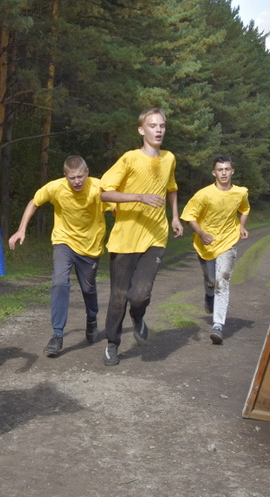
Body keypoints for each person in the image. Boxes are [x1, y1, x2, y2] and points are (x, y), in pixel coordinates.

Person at [99, 107, 183, 366]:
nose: (158, 130)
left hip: (156, 235)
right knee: (118, 296)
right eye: (153, 125)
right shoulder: (129, 159)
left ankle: (138, 315)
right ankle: (112, 343)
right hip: (125, 237)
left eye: (162, 126)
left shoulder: (169, 158)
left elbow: (171, 188)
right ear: (141, 130)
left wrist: (176, 217)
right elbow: (104, 193)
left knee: (140, 294)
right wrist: (139, 197)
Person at [8, 155, 111, 356]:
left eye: (80, 176)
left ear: (87, 172)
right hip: (64, 241)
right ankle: (57, 334)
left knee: (88, 288)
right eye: (72, 178)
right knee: (59, 282)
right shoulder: (56, 187)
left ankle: (92, 319)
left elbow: (118, 207)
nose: (77, 181)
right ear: (65, 176)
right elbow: (34, 202)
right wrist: (21, 229)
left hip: (90, 247)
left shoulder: (99, 187)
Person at [180, 156, 250, 345]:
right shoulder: (204, 194)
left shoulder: (240, 193)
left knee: (223, 280)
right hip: (207, 243)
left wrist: (242, 226)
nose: (224, 173)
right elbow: (189, 216)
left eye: (227, 169)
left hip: (228, 241)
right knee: (211, 280)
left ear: (232, 171)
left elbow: (244, 209)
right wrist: (201, 234)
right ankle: (209, 293)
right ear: (214, 173)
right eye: (220, 170)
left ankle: (218, 325)